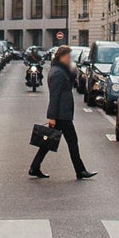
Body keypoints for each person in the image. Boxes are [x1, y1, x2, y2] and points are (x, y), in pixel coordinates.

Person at [29, 44, 94, 181]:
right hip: (60, 114)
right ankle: (80, 170)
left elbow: (73, 78)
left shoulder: (60, 69)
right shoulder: (57, 73)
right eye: (68, 56)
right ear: (62, 56)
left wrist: (71, 67)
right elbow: (54, 96)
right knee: (72, 142)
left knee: (48, 142)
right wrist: (51, 117)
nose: (70, 59)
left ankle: (35, 167)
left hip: (62, 113)